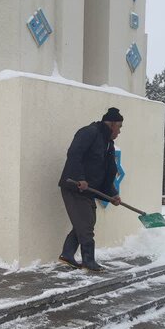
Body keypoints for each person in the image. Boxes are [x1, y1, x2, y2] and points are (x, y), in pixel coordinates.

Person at [58, 107, 123, 271]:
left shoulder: (108, 144)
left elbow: (109, 172)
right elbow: (74, 154)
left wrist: (113, 195)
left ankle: (67, 254)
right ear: (112, 123)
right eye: (119, 127)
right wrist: (80, 178)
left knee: (86, 223)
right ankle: (88, 261)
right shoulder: (89, 132)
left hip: (89, 190)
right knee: (85, 225)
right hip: (74, 187)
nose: (120, 131)